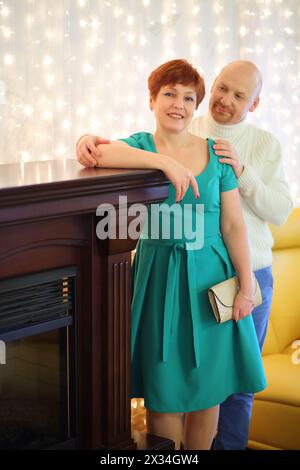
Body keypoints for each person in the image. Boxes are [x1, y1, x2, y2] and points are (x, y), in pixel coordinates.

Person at [76, 59, 267, 450]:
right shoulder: (139, 147)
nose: (178, 103)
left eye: (188, 97)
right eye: (169, 94)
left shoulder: (217, 153)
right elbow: (96, 155)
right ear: (152, 99)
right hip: (159, 274)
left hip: (212, 277)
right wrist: (162, 161)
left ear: (196, 105)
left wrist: (247, 282)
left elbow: (232, 225)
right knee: (161, 391)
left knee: (209, 390)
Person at [187, 60, 293, 450]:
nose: (225, 100)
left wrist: (243, 171)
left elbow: (280, 211)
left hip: (253, 276)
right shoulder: (188, 130)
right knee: (195, 375)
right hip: (199, 273)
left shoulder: (264, 144)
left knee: (239, 383)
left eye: (239, 95)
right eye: (221, 88)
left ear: (255, 103)